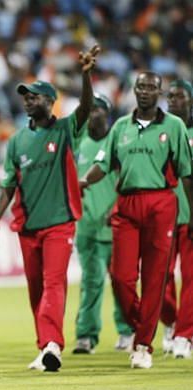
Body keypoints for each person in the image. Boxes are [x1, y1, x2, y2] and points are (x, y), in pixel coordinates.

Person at [0, 45, 99, 372]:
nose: (27, 101)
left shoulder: (64, 130)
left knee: (53, 284)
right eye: (25, 97)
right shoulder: (16, 140)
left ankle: (52, 344)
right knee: (36, 290)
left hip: (60, 223)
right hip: (28, 225)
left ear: (50, 102)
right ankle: (45, 346)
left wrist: (86, 74)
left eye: (34, 96)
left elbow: (86, 107)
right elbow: (9, 183)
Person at [80, 71, 192, 369]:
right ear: (134, 90)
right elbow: (102, 164)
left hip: (160, 201)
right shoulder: (120, 127)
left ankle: (143, 345)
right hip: (127, 203)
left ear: (159, 92)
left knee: (156, 277)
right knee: (120, 277)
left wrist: (192, 214)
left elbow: (186, 174)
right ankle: (144, 324)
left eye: (150, 87)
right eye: (140, 86)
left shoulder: (174, 126)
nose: (144, 92)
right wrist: (83, 182)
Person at [71, 94, 133, 355]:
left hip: (117, 226)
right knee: (91, 282)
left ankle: (127, 331)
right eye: (90, 109)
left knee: (123, 282)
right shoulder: (78, 143)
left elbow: (129, 179)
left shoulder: (119, 141)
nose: (93, 113)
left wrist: (117, 208)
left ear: (107, 113)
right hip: (86, 227)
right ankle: (86, 335)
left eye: (98, 109)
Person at [161, 79, 193, 359]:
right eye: (169, 96)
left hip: (190, 216)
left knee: (192, 278)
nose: (173, 101)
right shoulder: (164, 130)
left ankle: (185, 334)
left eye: (179, 96)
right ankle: (171, 322)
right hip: (165, 216)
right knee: (160, 277)